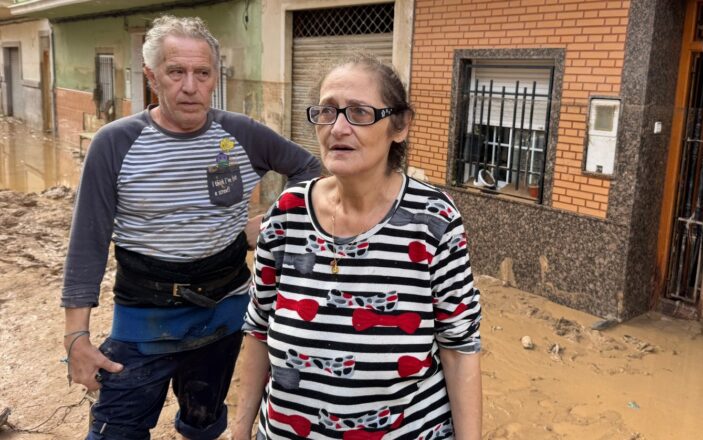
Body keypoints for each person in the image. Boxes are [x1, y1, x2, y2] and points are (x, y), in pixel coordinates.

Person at [60, 15, 321, 440]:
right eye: (175, 72)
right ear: (151, 76)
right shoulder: (116, 143)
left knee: (203, 421)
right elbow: (88, 243)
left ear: (214, 76)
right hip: (142, 320)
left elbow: (310, 171)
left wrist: (270, 223)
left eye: (202, 73)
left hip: (224, 314)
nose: (190, 85)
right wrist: (76, 337)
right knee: (115, 430)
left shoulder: (240, 133)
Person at [232, 53, 482, 440]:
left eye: (360, 113)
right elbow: (259, 328)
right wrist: (239, 429)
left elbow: (459, 348)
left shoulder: (433, 220)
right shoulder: (287, 212)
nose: (338, 128)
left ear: (399, 126)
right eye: (328, 111)